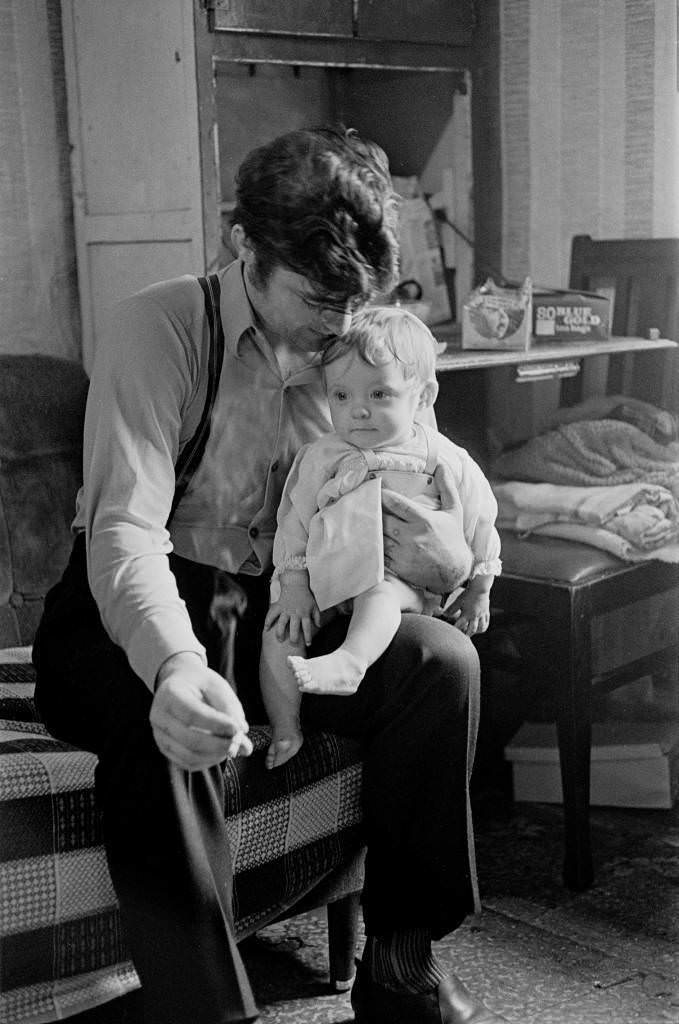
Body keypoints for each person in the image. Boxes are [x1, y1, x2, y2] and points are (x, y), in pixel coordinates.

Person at [32, 126, 507, 1024]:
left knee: (441, 665)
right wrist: (175, 663)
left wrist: (450, 567)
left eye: (351, 299)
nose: (334, 325)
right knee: (171, 719)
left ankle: (401, 962)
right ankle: (209, 1011)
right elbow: (124, 532)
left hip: (272, 604)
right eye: (312, 296)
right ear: (243, 245)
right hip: (132, 601)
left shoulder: (350, 348)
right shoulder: (161, 326)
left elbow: (425, 491)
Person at [260, 305, 502, 770]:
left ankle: (351, 661)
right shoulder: (322, 455)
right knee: (279, 629)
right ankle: (286, 727)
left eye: (379, 393)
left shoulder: (440, 456)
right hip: (327, 578)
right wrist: (294, 586)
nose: (359, 410)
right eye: (342, 396)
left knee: (379, 594)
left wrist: (479, 589)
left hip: (399, 580)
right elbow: (294, 520)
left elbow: (481, 520)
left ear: (423, 395)